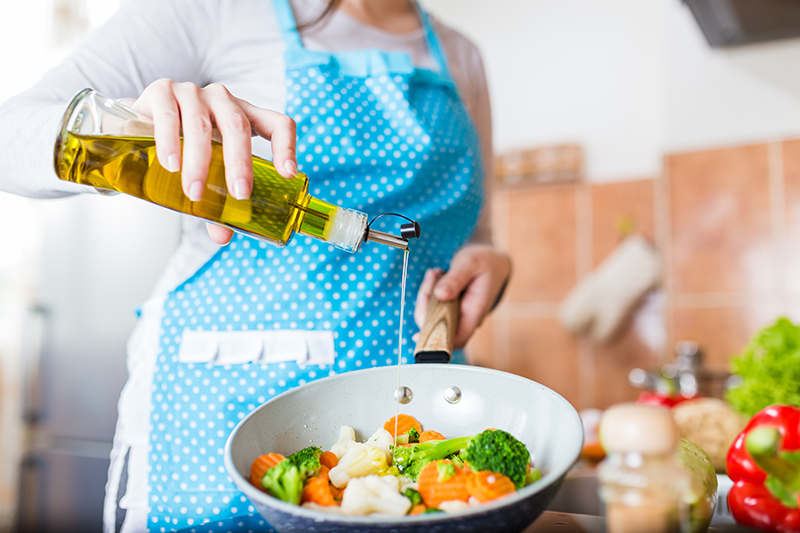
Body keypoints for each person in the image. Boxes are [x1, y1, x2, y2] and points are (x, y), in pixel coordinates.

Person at [0, 0, 511, 531]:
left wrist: (491, 266)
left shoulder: (460, 55)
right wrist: (133, 121)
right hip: (228, 414)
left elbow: (481, 236)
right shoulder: (213, 11)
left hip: (415, 425)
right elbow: (6, 137)